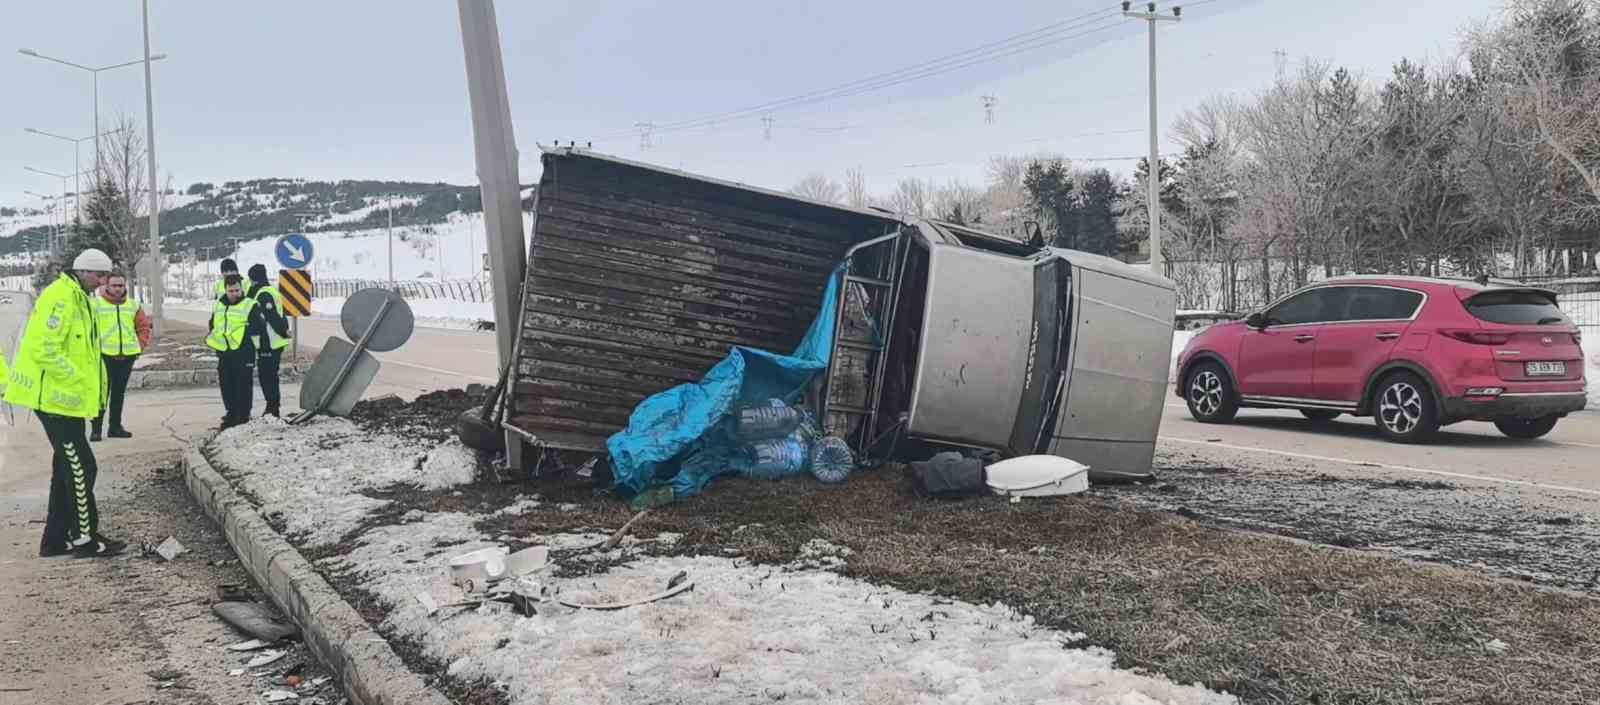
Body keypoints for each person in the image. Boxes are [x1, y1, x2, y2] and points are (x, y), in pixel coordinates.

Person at [4, 248, 125, 558]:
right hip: (54, 401)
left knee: (66, 468)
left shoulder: (79, 297)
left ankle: (55, 540)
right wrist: (77, 379)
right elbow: (45, 348)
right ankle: (84, 537)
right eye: (99, 276)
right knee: (83, 466)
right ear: (84, 271)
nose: (102, 282)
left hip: (67, 402)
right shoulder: (61, 296)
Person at [90, 272, 152, 441]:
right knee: (101, 394)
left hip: (127, 356)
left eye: (121, 285)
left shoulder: (133, 305)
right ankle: (96, 429)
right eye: (115, 285)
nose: (118, 289)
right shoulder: (96, 305)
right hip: (104, 356)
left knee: (119, 393)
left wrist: (139, 346)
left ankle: (115, 427)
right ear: (107, 286)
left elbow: (143, 327)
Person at [206, 274, 267, 429]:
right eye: (231, 291)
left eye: (237, 290)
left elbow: (259, 329)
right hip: (225, 352)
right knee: (227, 385)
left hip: (244, 352)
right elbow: (213, 323)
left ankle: (243, 415)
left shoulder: (250, 305)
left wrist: (261, 349)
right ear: (225, 290)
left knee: (243, 385)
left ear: (241, 289)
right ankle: (231, 413)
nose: (234, 293)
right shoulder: (220, 304)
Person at [245, 264, 291, 417]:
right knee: (268, 375)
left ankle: (272, 408)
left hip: (270, 342)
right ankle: (272, 407)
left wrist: (283, 332)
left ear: (253, 278)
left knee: (268, 376)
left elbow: (272, 317)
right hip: (271, 342)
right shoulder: (270, 290)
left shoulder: (263, 294)